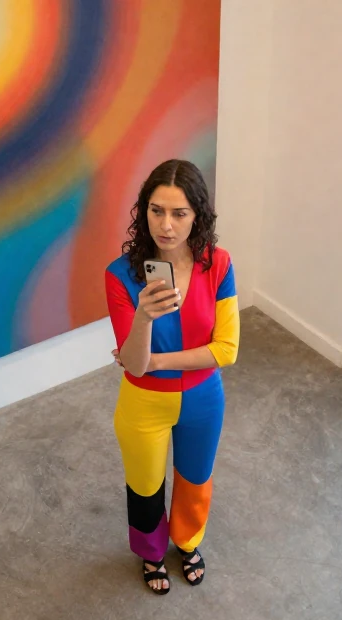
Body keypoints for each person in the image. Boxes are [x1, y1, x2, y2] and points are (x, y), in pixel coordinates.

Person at [104, 159, 240, 595]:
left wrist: (157, 361)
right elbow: (135, 365)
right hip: (143, 403)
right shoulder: (120, 276)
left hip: (204, 398)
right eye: (156, 210)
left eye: (179, 213)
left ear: (197, 215)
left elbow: (226, 350)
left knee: (195, 479)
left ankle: (188, 541)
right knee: (145, 488)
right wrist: (143, 317)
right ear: (143, 211)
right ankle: (151, 552)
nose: (166, 225)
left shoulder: (218, 265)